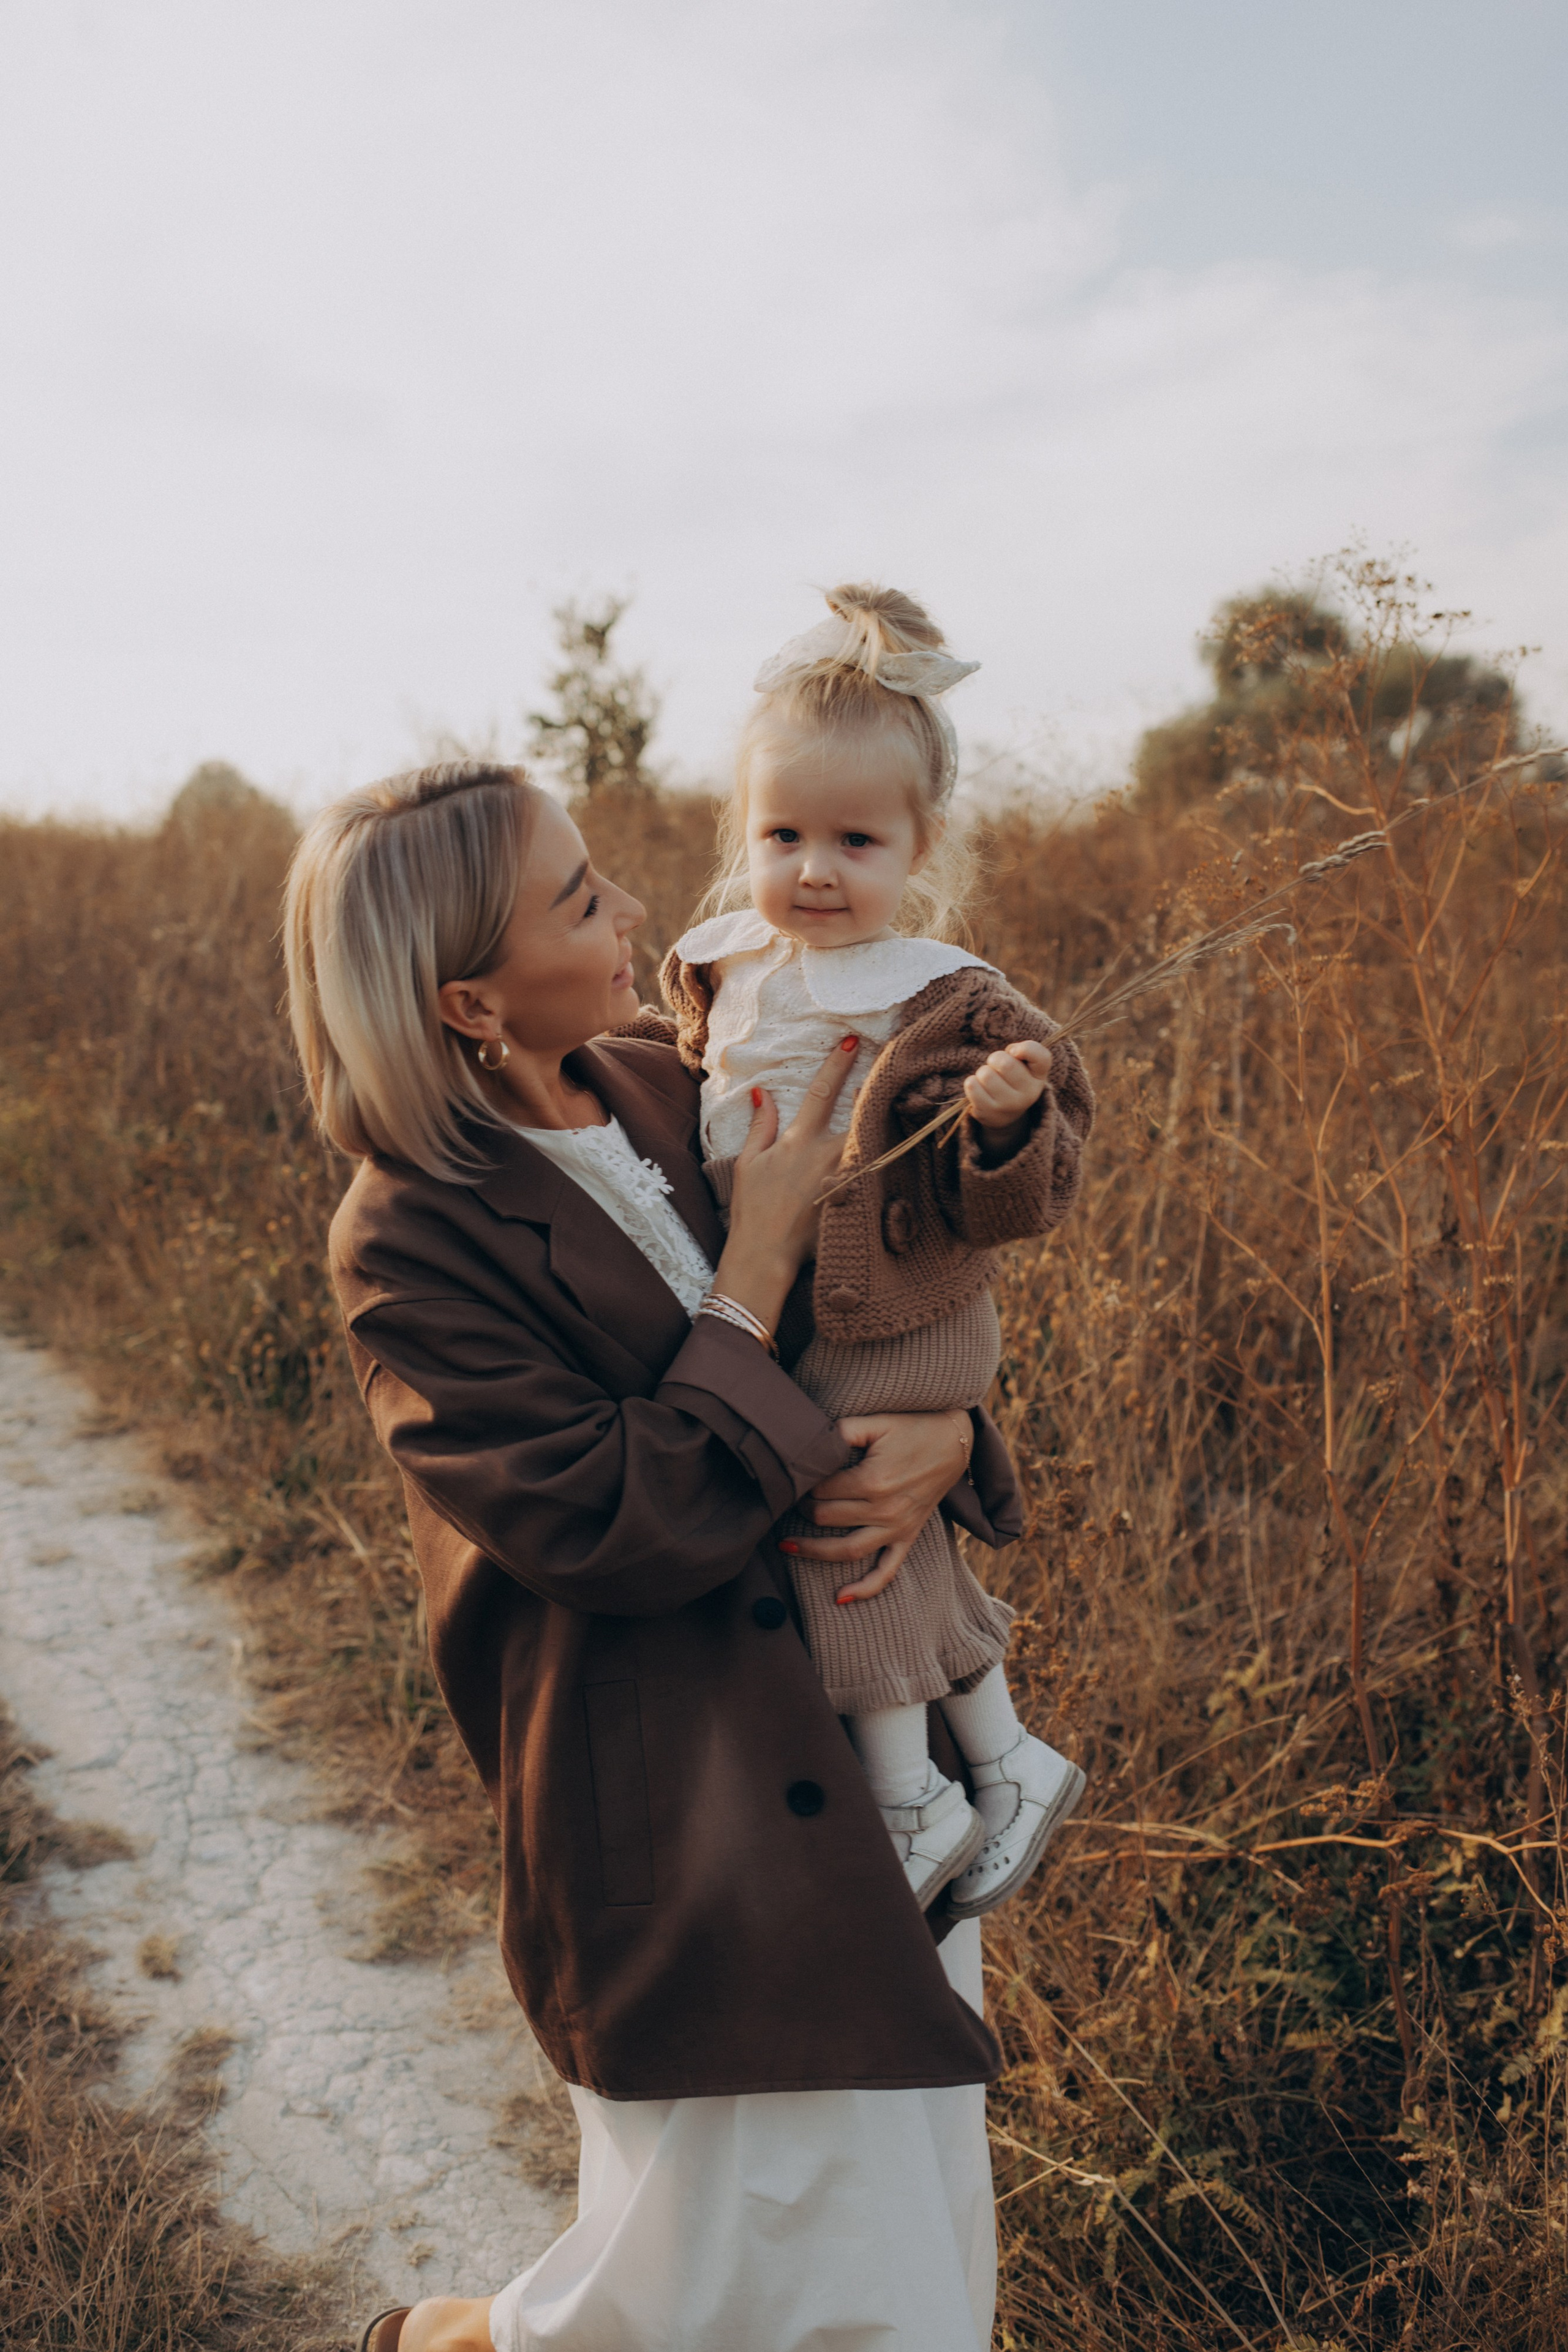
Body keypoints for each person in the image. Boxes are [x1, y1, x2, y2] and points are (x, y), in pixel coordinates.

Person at [283, 760, 1035, 2352]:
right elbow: (611, 1521)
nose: (634, 910)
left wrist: (953, 1438)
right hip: (690, 1815)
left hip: (863, 1759)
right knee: (730, 2296)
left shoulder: (660, 1080)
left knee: (899, 2254)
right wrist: (747, 1270)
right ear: (468, 1000)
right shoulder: (407, 1234)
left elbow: (880, 1308)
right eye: (578, 897)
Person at [662, 582, 1093, 1918]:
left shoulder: (946, 993)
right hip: (796, 1308)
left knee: (839, 1532)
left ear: (919, 845)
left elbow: (1031, 1191)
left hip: (898, 1309)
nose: (812, 870)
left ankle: (913, 1799)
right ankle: (999, 1762)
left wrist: (1003, 1124)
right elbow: (699, 1080)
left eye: (855, 839)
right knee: (870, 1533)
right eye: (781, 832)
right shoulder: (728, 962)